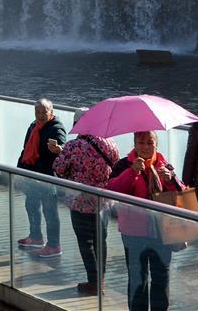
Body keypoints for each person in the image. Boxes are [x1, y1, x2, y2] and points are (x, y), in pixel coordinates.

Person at [108, 131, 183, 311]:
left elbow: (182, 194)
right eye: (141, 143)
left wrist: (171, 180)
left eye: (150, 143)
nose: (146, 147)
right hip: (134, 232)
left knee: (161, 277)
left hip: (162, 231)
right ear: (134, 144)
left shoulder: (166, 166)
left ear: (156, 145)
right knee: (137, 278)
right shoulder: (123, 165)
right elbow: (111, 189)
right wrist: (132, 172)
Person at [53, 109, 120, 296]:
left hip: (81, 202)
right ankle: (102, 279)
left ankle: (94, 281)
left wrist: (60, 153)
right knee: (101, 240)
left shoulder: (74, 146)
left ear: (77, 124)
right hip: (105, 201)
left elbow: (58, 168)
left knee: (85, 242)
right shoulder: (110, 143)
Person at [16, 98, 66, 258]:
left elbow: (64, 150)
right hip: (32, 175)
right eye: (37, 112)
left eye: (43, 112)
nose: (40, 115)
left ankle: (54, 244)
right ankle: (36, 236)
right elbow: (25, 150)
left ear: (51, 112)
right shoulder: (33, 127)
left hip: (48, 178)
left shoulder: (56, 128)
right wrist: (19, 172)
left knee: (50, 211)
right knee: (31, 206)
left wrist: (59, 149)